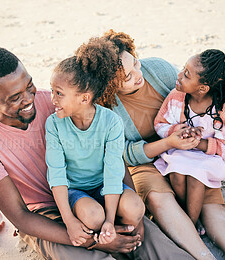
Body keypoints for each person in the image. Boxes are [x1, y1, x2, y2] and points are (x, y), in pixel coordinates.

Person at [0, 46, 194, 259]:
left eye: (29, 86)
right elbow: (19, 216)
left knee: (155, 246)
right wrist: (93, 241)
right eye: (15, 97)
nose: (29, 99)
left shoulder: (58, 102)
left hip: (94, 190)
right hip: (45, 216)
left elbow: (111, 157)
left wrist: (137, 219)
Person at [91, 30, 225, 259]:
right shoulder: (105, 106)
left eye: (135, 63)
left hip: (186, 150)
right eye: (126, 77)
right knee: (160, 198)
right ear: (109, 85)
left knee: (208, 196)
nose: (138, 74)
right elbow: (124, 154)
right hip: (144, 162)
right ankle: (204, 255)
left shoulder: (157, 69)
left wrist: (191, 141)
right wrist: (167, 142)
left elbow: (193, 97)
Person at [46, 38, 145, 247]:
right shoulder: (54, 124)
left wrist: (110, 219)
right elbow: (56, 174)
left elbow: (113, 170)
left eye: (59, 94)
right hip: (77, 192)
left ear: (84, 98)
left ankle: (115, 231)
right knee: (93, 217)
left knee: (135, 208)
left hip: (105, 186)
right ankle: (107, 238)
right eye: (52, 91)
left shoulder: (111, 122)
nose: (52, 99)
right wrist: (69, 221)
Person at [153, 49, 225, 227]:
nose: (179, 75)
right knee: (177, 174)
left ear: (202, 88)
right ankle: (186, 212)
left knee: (195, 177)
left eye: (186, 75)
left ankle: (191, 224)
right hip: (182, 151)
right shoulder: (176, 97)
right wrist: (178, 131)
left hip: (209, 158)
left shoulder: (222, 111)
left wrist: (202, 144)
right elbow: (160, 123)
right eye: (183, 69)